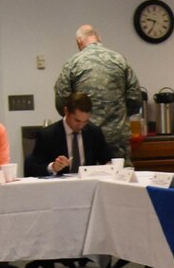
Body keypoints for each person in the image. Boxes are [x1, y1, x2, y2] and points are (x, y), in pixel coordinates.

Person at [52, 24, 145, 166]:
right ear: (99, 38)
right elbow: (135, 98)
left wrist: (76, 120)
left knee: (89, 182)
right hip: (117, 136)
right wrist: (119, 115)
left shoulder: (73, 63)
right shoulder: (119, 60)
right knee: (120, 181)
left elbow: (62, 102)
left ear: (79, 41)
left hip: (86, 136)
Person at [29, 93, 109, 176]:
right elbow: (33, 168)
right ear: (66, 111)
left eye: (85, 121)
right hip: (59, 186)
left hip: (89, 184)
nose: (81, 126)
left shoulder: (94, 132)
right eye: (77, 121)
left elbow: (107, 159)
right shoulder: (47, 135)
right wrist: (53, 167)